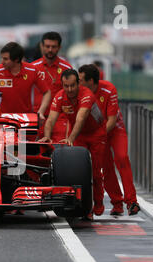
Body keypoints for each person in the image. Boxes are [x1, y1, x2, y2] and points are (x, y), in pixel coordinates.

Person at [39, 69, 106, 220]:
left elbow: (81, 118)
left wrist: (70, 137)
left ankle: (99, 201)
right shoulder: (60, 96)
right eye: (66, 86)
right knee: (79, 170)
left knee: (95, 170)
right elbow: (50, 120)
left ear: (78, 83)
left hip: (96, 134)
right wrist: (47, 137)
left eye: (72, 86)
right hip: (79, 135)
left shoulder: (87, 95)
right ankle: (84, 207)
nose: (69, 90)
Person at [78, 64, 140, 216]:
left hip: (114, 130)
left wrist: (99, 136)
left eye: (80, 80)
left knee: (122, 157)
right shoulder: (79, 93)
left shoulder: (109, 89)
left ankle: (132, 201)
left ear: (91, 81)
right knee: (106, 167)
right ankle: (117, 202)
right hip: (97, 132)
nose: (78, 83)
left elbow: (112, 120)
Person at [0, 42, 51, 114]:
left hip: (26, 118)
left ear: (16, 59)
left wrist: (41, 111)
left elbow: (47, 92)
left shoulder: (32, 70)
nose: (2, 62)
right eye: (2, 58)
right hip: (3, 117)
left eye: (5, 59)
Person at [32, 32, 73, 141]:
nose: (50, 50)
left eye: (53, 47)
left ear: (59, 47)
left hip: (60, 118)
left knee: (59, 149)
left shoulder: (67, 68)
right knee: (32, 151)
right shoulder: (33, 68)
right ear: (42, 46)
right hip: (37, 117)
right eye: (47, 46)